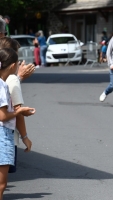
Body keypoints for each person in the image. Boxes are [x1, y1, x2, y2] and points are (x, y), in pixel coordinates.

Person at [0, 48, 35, 200]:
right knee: (1, 183)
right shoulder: (3, 85)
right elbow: (2, 116)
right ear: (13, 65)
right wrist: (19, 112)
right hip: (2, 134)